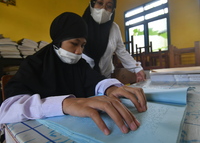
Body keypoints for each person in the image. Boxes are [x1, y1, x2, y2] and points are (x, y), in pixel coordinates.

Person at [0, 12, 147, 137]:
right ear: (58, 40)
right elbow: (8, 109)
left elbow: (95, 80)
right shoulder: (33, 64)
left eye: (83, 45)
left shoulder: (79, 64)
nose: (79, 51)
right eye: (74, 44)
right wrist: (65, 104)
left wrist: (111, 88)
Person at [82, 0, 146, 82]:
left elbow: (121, 51)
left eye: (109, 6)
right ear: (92, 4)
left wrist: (137, 68)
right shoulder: (80, 25)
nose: (103, 8)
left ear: (112, 11)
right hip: (82, 78)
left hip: (105, 78)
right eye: (100, 3)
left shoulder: (114, 28)